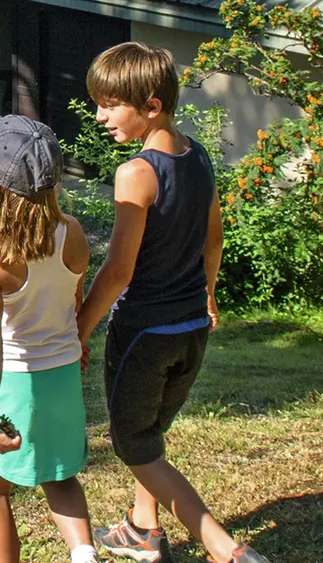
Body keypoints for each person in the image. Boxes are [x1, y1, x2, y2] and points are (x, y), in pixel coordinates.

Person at [77, 42, 268, 563]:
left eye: (111, 104)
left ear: (152, 105)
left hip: (144, 334)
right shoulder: (198, 156)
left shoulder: (137, 173)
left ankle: (224, 548)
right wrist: (206, 295)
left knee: (132, 444)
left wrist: (79, 330)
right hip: (191, 331)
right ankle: (143, 529)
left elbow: (118, 272)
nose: (100, 116)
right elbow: (214, 241)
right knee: (152, 431)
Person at [0, 111, 98, 563]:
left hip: (16, 385)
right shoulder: (73, 234)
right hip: (62, 379)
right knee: (60, 478)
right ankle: (83, 554)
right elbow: (72, 304)